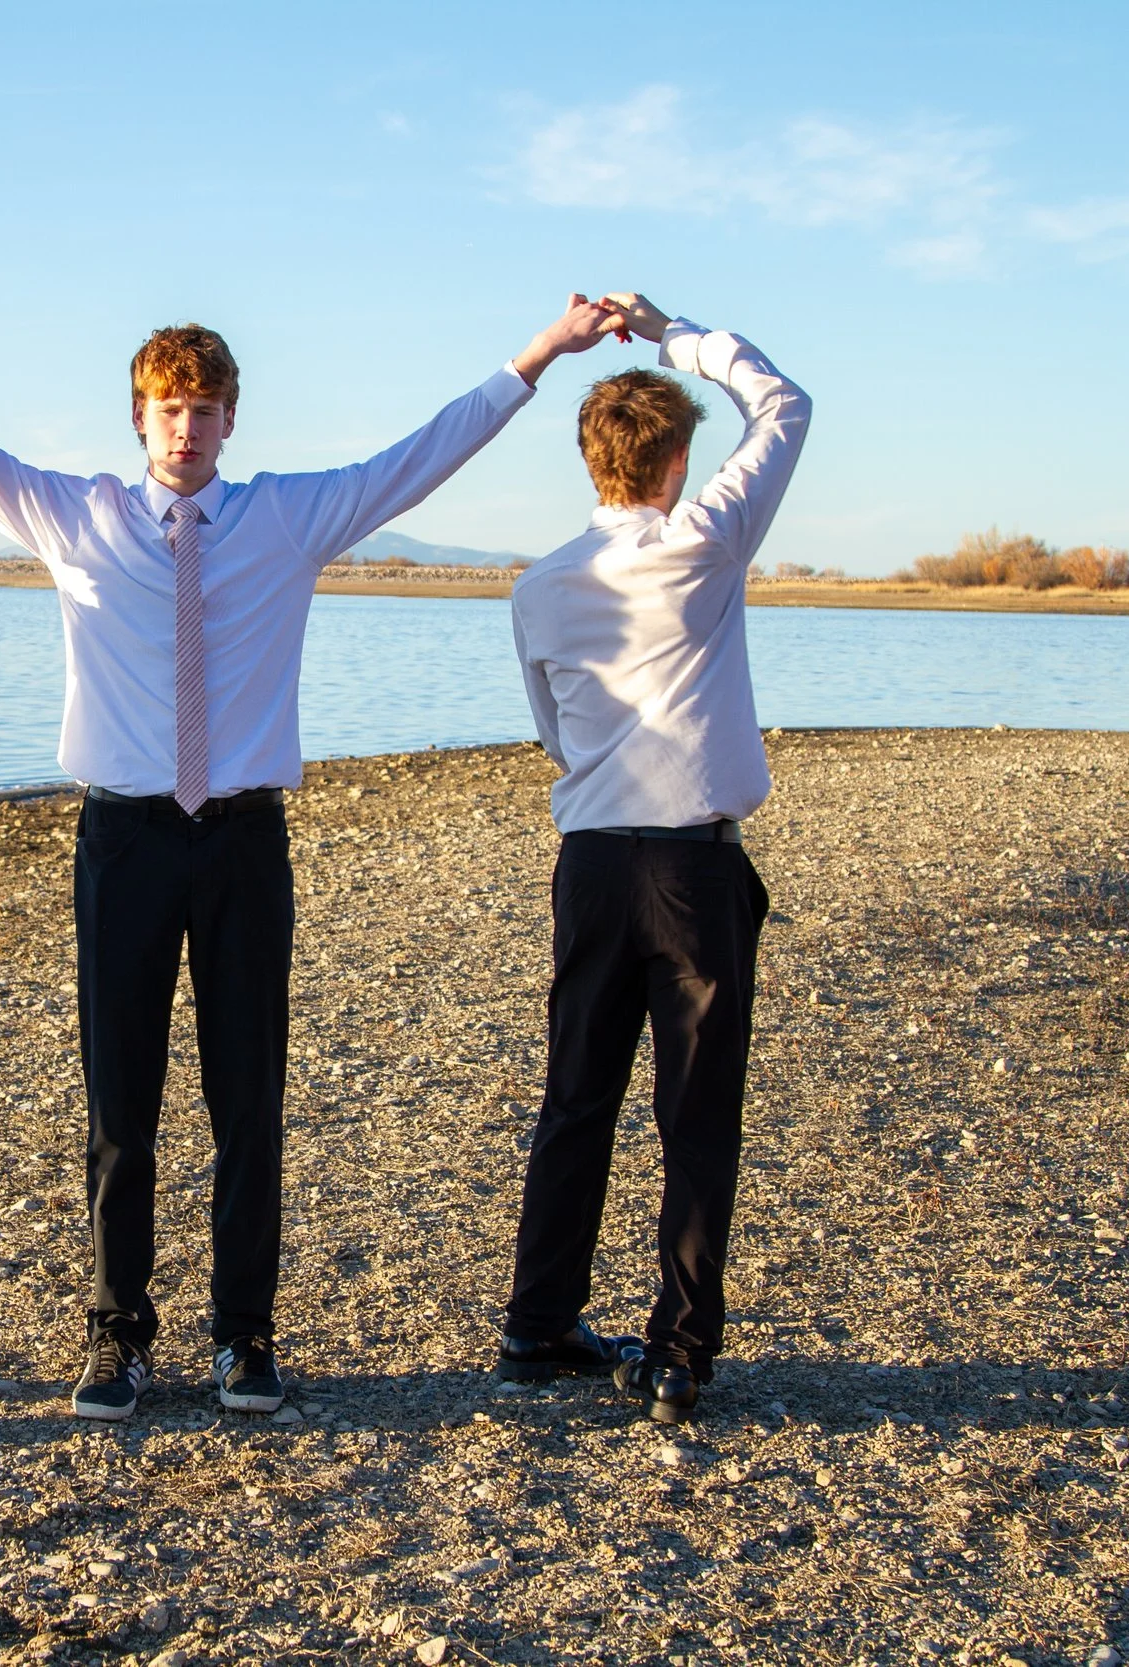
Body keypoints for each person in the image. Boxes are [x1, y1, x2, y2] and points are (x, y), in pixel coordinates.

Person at [0, 294, 624, 1420]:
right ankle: (116, 1337)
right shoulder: (78, 516)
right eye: (168, 409)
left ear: (231, 419)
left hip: (245, 838)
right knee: (121, 1097)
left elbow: (424, 453)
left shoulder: (290, 520)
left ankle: (243, 1337)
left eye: (204, 410)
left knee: (247, 1097)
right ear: (139, 418)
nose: (186, 430)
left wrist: (541, 351)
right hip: (126, 838)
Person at [495, 293, 810, 1424]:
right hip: (688, 867)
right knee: (695, 1108)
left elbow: (552, 729)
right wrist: (675, 328)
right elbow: (780, 401)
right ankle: (677, 1349)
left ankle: (536, 1320)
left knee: (576, 1092)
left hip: (590, 860)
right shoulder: (705, 538)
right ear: (676, 458)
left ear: (592, 460)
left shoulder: (537, 587)